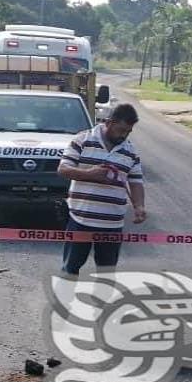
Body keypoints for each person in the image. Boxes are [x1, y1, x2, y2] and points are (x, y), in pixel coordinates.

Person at [56, 103, 146, 276]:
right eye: (121, 130)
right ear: (108, 122)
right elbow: (63, 170)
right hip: (80, 221)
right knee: (70, 269)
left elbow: (136, 181)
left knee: (106, 274)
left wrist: (139, 206)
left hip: (113, 225)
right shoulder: (82, 140)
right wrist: (90, 174)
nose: (124, 135)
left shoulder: (130, 151)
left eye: (128, 131)